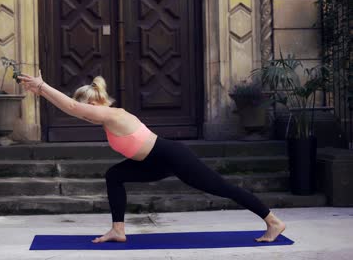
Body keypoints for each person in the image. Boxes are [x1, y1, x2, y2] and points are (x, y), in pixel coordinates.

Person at [17, 70, 286, 244]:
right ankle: (118, 230)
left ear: (93, 104)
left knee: (222, 188)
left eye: (86, 110)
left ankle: (273, 221)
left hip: (171, 156)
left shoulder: (112, 114)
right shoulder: (109, 117)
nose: (84, 116)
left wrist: (42, 87)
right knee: (115, 175)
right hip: (153, 162)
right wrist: (42, 90)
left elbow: (73, 108)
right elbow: (75, 108)